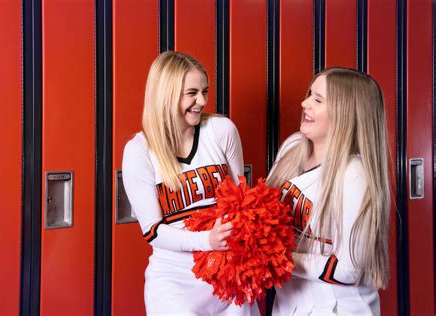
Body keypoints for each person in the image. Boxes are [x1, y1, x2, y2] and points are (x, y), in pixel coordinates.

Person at [122, 51, 259, 316]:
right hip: (175, 280)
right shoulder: (139, 150)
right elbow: (153, 232)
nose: (202, 101)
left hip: (229, 271)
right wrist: (207, 240)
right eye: (192, 93)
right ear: (166, 95)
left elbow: (241, 202)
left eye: (204, 91)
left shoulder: (222, 131)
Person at [267, 67, 390, 315]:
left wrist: (277, 258)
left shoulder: (354, 174)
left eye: (317, 100)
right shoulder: (292, 147)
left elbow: (347, 270)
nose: (304, 103)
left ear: (344, 114)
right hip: (289, 303)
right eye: (309, 94)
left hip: (337, 308)